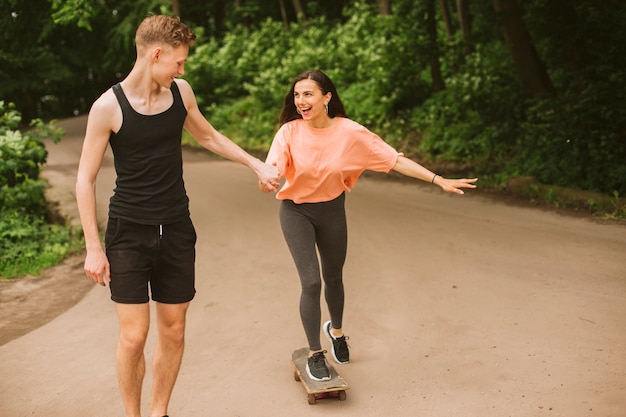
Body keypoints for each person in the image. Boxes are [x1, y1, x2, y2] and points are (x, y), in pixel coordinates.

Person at [75, 15, 279, 417]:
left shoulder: (180, 93)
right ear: (156, 54)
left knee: (174, 329)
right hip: (128, 231)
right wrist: (93, 248)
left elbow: (208, 136)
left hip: (177, 228)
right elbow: (85, 178)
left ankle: (159, 413)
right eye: (179, 62)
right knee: (134, 337)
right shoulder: (107, 107)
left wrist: (256, 165)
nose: (183, 69)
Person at [260, 70, 477, 382]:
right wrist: (268, 177)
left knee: (333, 277)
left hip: (332, 210)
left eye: (308, 94)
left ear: (326, 97)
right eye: (296, 95)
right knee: (311, 283)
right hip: (296, 212)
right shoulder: (289, 132)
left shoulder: (349, 132)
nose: (301, 101)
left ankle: (336, 332)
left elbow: (394, 160)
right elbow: (274, 167)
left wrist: (437, 179)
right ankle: (314, 354)